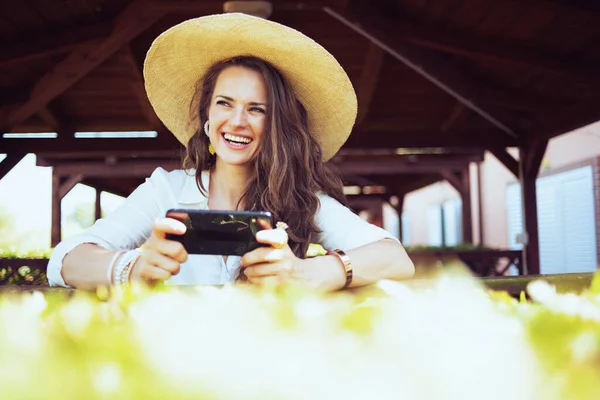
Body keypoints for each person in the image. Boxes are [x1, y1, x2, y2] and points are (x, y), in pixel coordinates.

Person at [47, 13, 414, 291]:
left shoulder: (303, 201)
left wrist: (310, 272)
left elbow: (396, 258)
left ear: (277, 126)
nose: (237, 121)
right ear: (207, 118)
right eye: (224, 104)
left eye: (257, 109)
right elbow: (64, 260)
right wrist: (133, 267)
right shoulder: (167, 190)